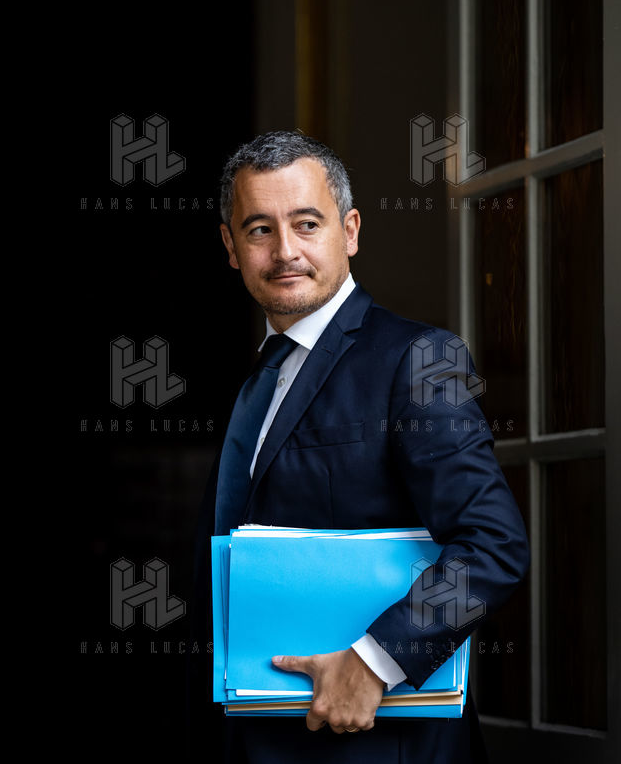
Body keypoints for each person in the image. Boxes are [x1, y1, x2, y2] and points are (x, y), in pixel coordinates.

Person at [188, 130, 529, 764]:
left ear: (349, 231)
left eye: (306, 223)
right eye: (259, 229)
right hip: (262, 734)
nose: (285, 251)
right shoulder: (260, 379)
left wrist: (376, 661)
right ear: (231, 247)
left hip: (383, 742)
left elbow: (493, 544)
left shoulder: (417, 357)